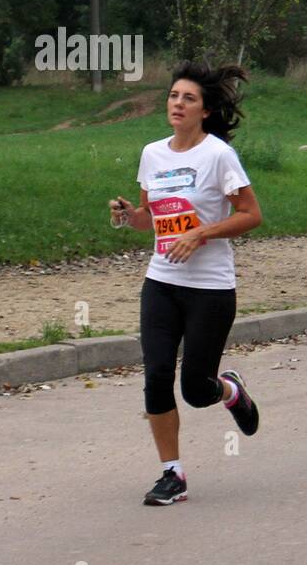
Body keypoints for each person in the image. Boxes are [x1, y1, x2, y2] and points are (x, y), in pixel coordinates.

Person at [109, 61, 263, 507]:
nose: (178, 103)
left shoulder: (218, 156)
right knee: (157, 376)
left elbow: (251, 215)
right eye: (174, 96)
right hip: (161, 281)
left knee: (195, 390)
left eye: (188, 98)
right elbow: (149, 220)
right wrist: (128, 217)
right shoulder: (152, 153)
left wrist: (200, 233)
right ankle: (172, 474)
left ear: (206, 110)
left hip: (210, 289)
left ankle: (229, 390)